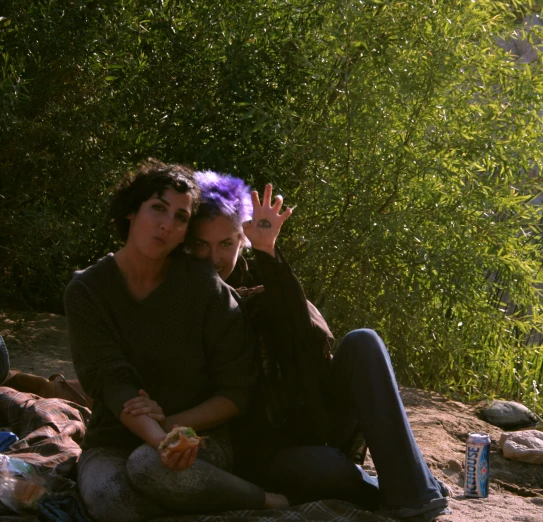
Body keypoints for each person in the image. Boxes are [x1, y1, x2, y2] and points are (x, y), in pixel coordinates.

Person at [172, 170, 451, 521]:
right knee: (327, 466)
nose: (214, 257)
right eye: (201, 245)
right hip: (268, 454)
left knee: (364, 341)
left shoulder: (263, 275)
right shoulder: (182, 295)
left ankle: (415, 493)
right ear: (185, 244)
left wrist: (268, 250)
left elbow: (303, 338)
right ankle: (394, 487)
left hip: (313, 415)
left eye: (225, 243)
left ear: (241, 241)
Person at [63, 159, 288, 522]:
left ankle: (264, 500)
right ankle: (191, 497)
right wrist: (157, 438)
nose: (167, 224)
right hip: (113, 441)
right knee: (110, 499)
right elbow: (110, 379)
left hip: (201, 436)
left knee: (147, 467)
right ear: (131, 212)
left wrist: (170, 431)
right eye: (158, 208)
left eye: (181, 218)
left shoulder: (203, 286)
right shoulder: (87, 290)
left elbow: (236, 393)